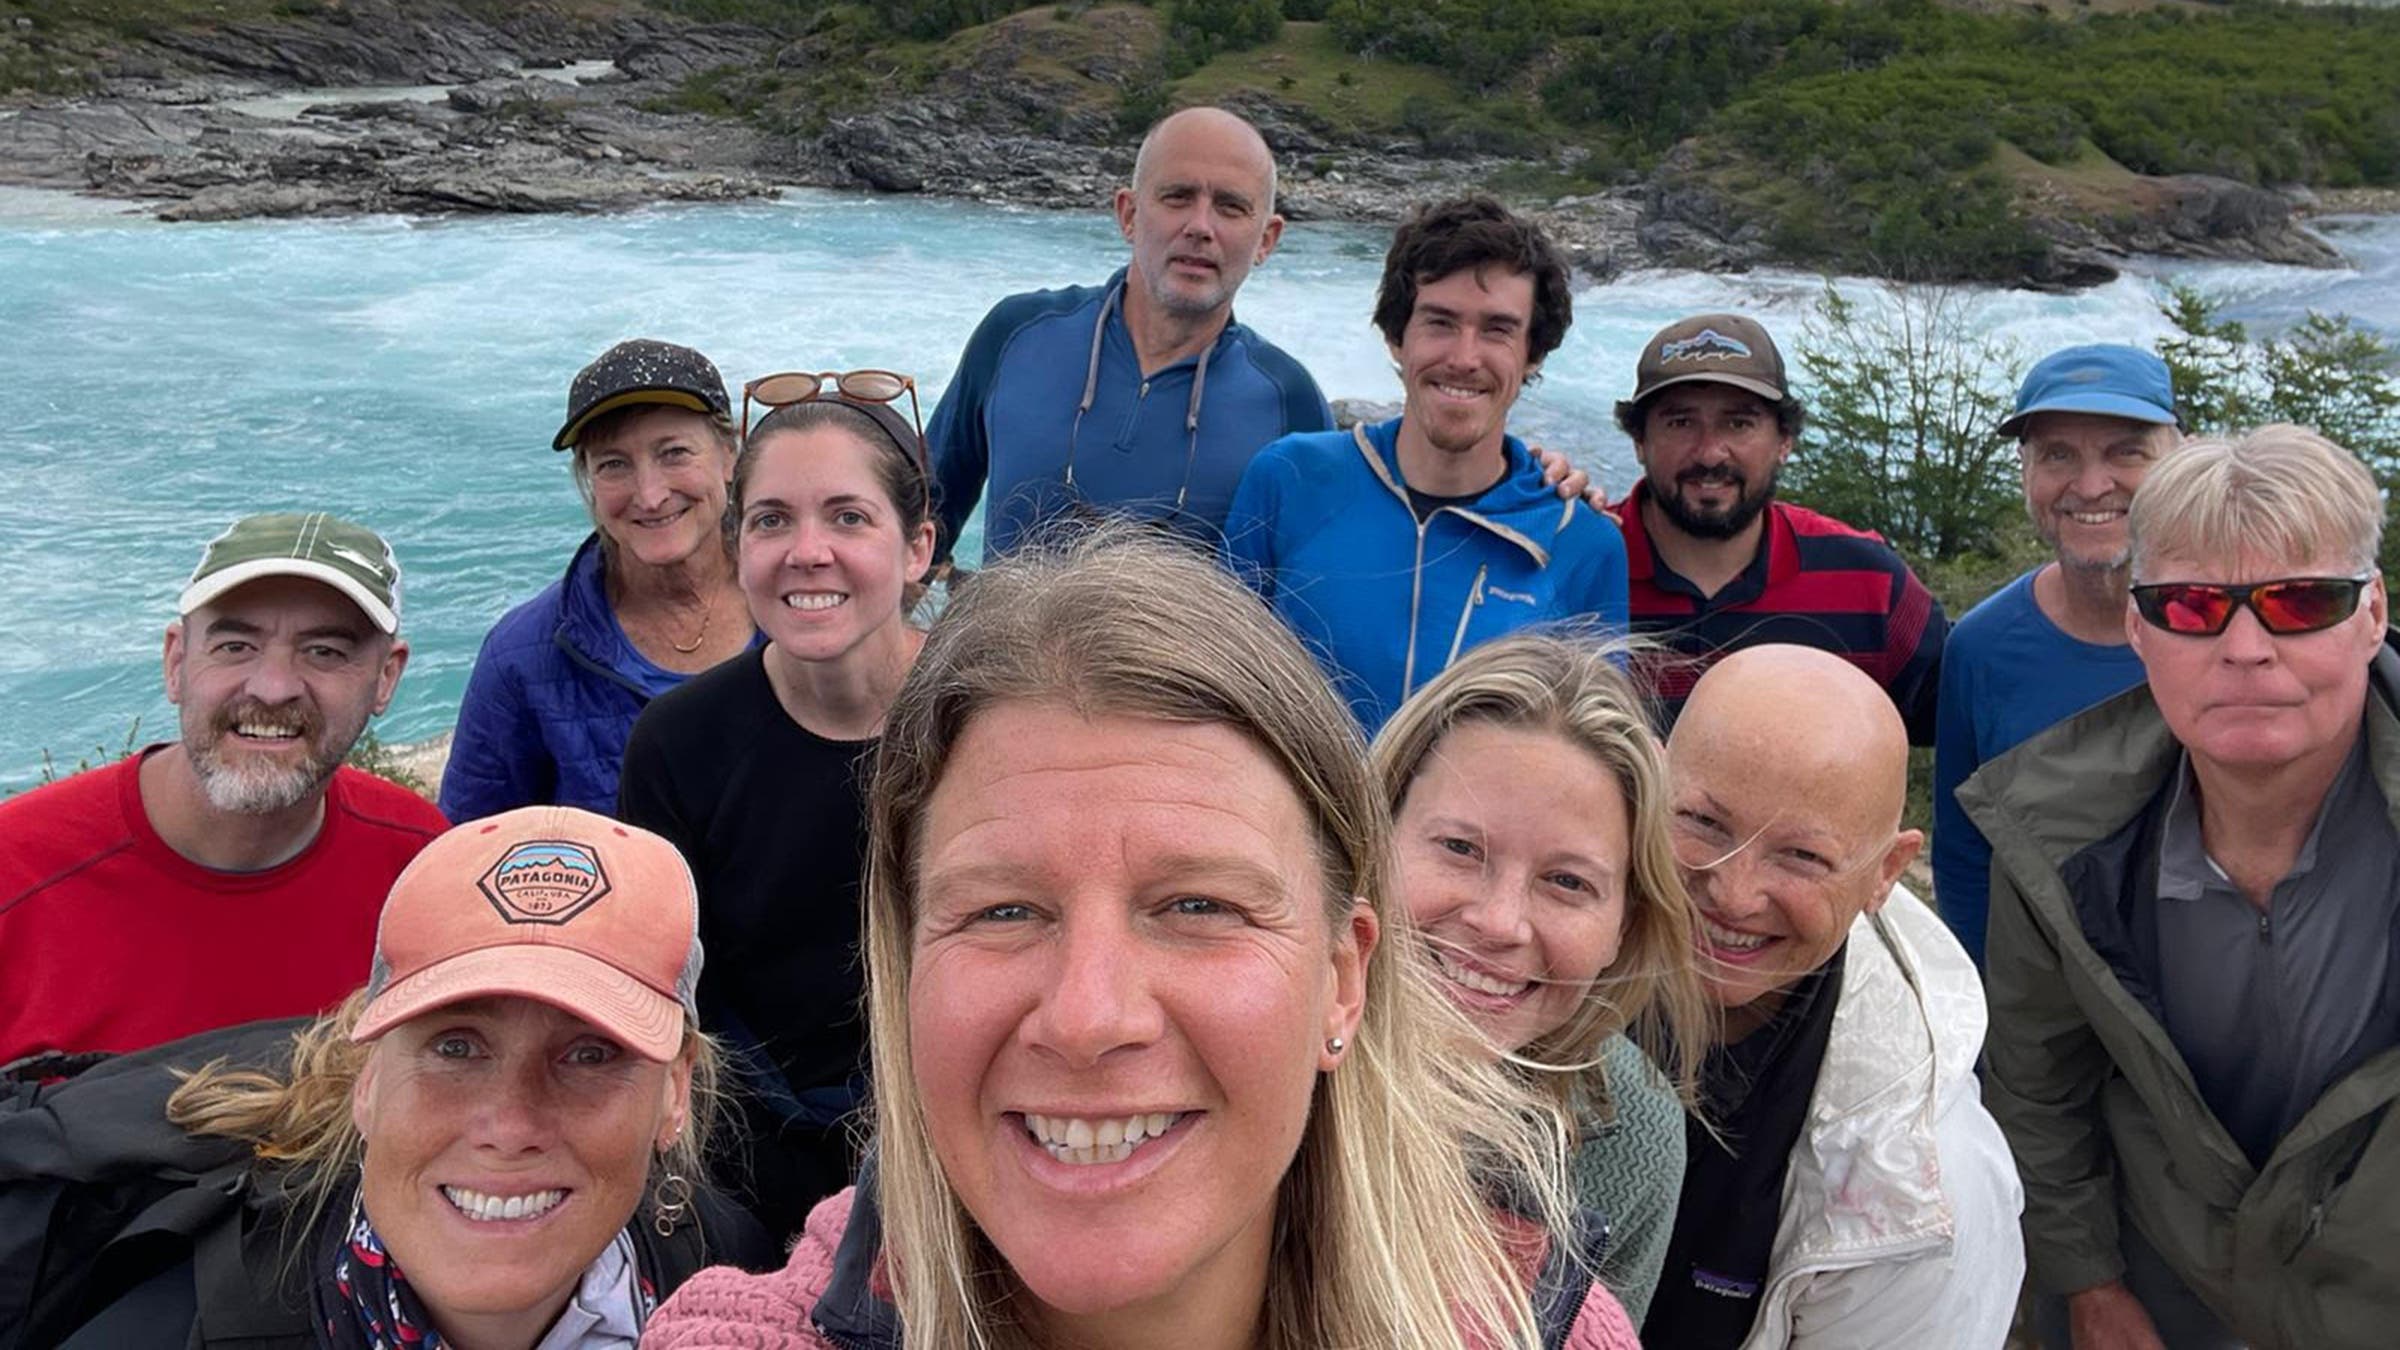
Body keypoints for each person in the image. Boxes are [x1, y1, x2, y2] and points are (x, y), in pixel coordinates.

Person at [647, 531, 1639, 1349]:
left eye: (1197, 907)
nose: (1088, 1018)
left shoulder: (1545, 1330)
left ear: (1344, 980)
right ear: (906, 971)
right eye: (1003, 912)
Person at [12, 806, 775, 1347]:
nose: (508, 1126)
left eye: (589, 1054)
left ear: (675, 1091)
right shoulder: (173, 1328)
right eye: (455, 1047)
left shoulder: (724, 1280)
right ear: (366, 1077)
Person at [1964, 426, 2400, 1350]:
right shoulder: (2055, 839)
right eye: (2194, 606)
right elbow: (2042, 1084)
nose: (2246, 647)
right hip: (2171, 1293)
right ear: (2137, 626)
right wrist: (2087, 1281)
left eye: (2301, 601)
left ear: (2372, 614)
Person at [616, 372, 936, 1243]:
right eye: (771, 520)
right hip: (750, 1165)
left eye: (848, 516)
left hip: (958, 1136)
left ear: (917, 550)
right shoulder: (680, 742)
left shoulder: (986, 716)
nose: (807, 551)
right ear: (737, 549)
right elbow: (668, 990)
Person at [1648, 644, 2023, 1349]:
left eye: (1802, 856)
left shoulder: (1925, 1193)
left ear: (1886, 871)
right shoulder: (1523, 957)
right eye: (1702, 822)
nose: (1732, 892)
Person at [0, 512, 443, 1066]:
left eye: (325, 651)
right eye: (235, 645)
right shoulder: (15, 875)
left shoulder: (424, 872)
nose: (274, 688)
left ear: (386, 678)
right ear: (176, 661)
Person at [1372, 633, 1712, 1323]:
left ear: (1625, 921)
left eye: (1567, 882)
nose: (1500, 923)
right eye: (1460, 848)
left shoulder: (1631, 1131)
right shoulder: (1256, 1044)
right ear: (1372, 835)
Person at [1225, 194, 1629, 732]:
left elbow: (1592, 754)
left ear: (1534, 353)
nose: (1464, 358)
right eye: (1440, 322)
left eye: (1497, 330)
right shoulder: (1290, 478)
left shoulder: (1578, 541)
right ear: (1396, 336)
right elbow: (1220, 693)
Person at [927, 106, 1331, 562]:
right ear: (1129, 215)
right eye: (1177, 197)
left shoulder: (1289, 404)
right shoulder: (1015, 336)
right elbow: (915, 531)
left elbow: (1310, 600)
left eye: (1231, 207)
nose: (1200, 227)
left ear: (1266, 240)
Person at [1932, 344, 2180, 965]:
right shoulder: (1982, 649)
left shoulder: (2235, 632)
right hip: (2046, 1019)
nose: (2091, 485)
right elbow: (1966, 859)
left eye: (2126, 451)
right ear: (2025, 472)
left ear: (2181, 460)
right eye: (2058, 455)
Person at [441, 339, 756, 823]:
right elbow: (471, 850)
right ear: (586, 477)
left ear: (730, 452)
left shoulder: (801, 608)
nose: (649, 496)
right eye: (613, 465)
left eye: (673, 453)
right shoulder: (523, 655)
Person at [1609, 313, 1948, 742]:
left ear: (1784, 440)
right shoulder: (1578, 565)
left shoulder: (1867, 581)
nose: (1711, 453)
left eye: (1739, 423)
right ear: (1640, 441)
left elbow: (1977, 714)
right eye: (1680, 423)